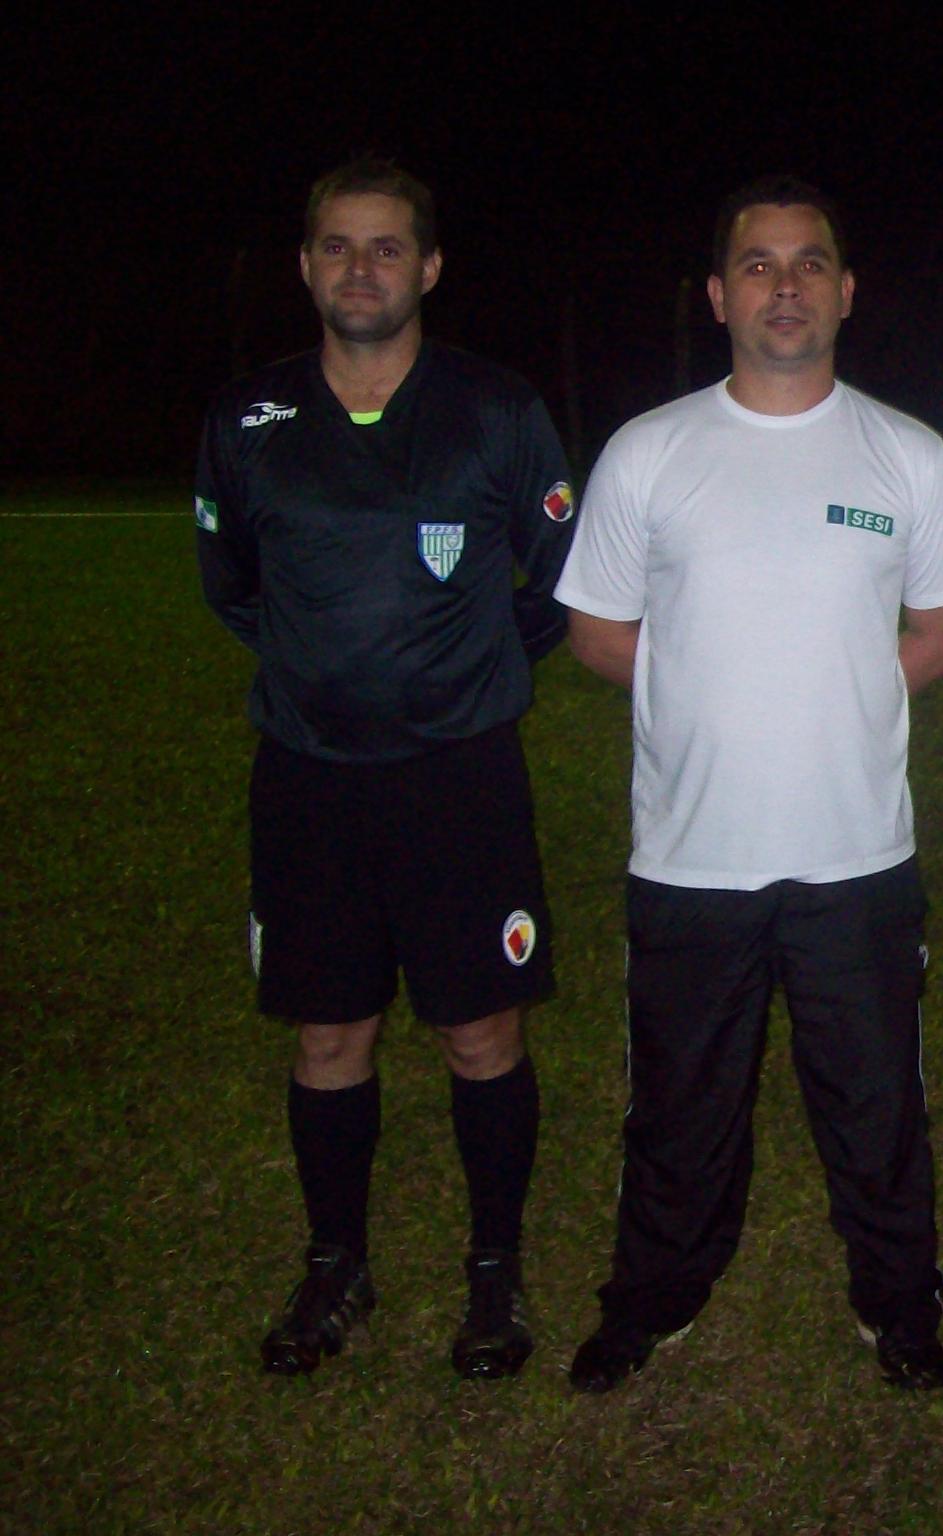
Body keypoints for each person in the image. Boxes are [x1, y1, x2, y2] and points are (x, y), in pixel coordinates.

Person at [557, 176, 943, 1394]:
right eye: (757, 264)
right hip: (691, 856)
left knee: (876, 1106)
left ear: (845, 293)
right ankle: (654, 1294)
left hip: (856, 857)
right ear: (717, 295)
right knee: (678, 1106)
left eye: (807, 265)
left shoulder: (906, 455)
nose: (783, 286)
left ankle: (898, 1301)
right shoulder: (649, 452)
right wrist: (704, 685)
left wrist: (833, 692)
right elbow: (597, 631)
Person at [196, 157, 577, 1378]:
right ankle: (335, 1264)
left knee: (481, 1030)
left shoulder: (495, 410)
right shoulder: (247, 419)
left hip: (459, 781)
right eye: (337, 246)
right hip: (308, 779)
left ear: (429, 267)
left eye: (387, 247)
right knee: (327, 1036)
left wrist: (463, 671)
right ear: (306, 266)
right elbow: (232, 588)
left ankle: (494, 1273)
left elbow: (557, 577)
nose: (361, 269)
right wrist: (327, 672)